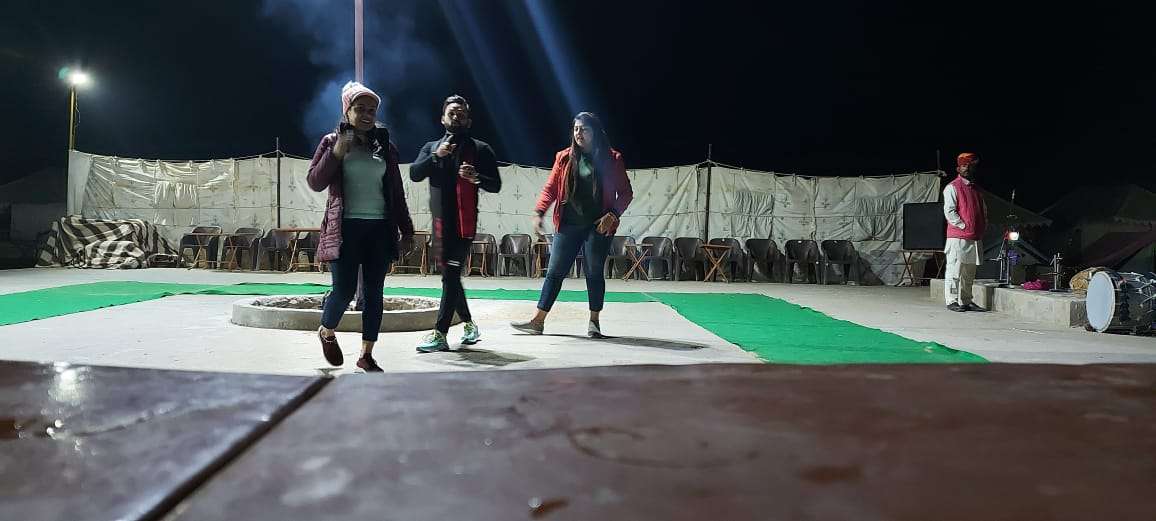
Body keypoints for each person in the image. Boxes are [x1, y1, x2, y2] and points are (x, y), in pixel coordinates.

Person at [307, 81, 415, 371]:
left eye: (372, 110)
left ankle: (366, 355)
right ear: (347, 111)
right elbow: (315, 182)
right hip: (345, 229)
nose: (367, 115)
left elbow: (396, 192)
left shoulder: (385, 147)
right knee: (343, 291)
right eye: (360, 109)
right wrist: (337, 151)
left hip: (379, 229)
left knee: (374, 293)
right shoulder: (331, 141)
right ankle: (327, 330)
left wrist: (407, 230)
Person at [511, 112, 633, 337]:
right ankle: (538, 321)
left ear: (595, 132)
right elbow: (550, 189)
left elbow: (625, 193)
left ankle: (594, 322)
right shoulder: (564, 157)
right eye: (576, 129)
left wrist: (613, 214)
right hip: (568, 224)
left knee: (594, 272)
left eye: (584, 129)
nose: (579, 133)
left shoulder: (612, 159)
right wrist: (539, 212)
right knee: (554, 272)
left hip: (598, 227)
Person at [410, 95, 501, 352]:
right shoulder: (432, 147)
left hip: (464, 225)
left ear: (468, 121)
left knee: (450, 276)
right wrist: (436, 156)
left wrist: (476, 178)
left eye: (461, 113)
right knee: (449, 278)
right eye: (452, 112)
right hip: (440, 224)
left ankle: (440, 333)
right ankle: (470, 324)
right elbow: (415, 173)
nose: (456, 116)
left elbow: (495, 185)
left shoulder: (480, 149)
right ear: (442, 118)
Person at [943, 152, 988, 312]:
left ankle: (966, 301)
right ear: (958, 168)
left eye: (970, 165)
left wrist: (982, 226)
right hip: (958, 237)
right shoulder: (952, 187)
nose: (967, 168)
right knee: (955, 270)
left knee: (969, 272)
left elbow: (983, 211)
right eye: (964, 165)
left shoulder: (977, 190)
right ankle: (952, 301)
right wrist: (963, 226)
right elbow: (949, 211)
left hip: (974, 237)